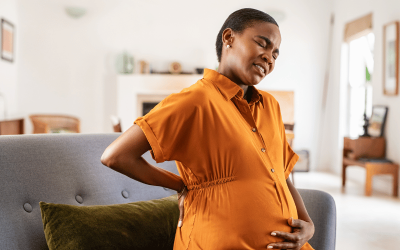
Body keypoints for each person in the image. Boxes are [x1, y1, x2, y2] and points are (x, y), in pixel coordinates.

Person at [101, 8, 315, 250]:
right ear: (229, 38)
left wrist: (308, 224)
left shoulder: (271, 106)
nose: (269, 57)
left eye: (275, 54)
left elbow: (281, 175)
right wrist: (180, 185)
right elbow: (115, 156)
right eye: (262, 44)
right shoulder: (193, 101)